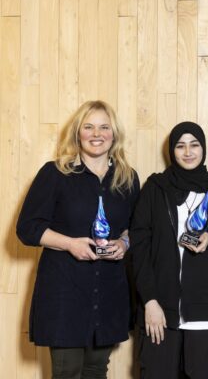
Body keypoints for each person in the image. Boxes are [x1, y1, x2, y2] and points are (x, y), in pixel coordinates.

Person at [16, 100, 140, 379]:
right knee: (67, 372)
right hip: (65, 291)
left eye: (104, 127)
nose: (97, 134)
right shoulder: (55, 173)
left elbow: (136, 228)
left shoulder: (128, 178)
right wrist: (70, 244)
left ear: (114, 134)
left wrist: (124, 244)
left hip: (109, 291)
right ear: (78, 133)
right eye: (89, 127)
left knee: (97, 371)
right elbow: (28, 228)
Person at [130, 121, 208, 379]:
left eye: (194, 145)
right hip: (160, 311)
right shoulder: (155, 189)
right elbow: (138, 250)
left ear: (203, 149)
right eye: (180, 146)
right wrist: (150, 301)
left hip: (205, 312)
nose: (188, 152)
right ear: (171, 150)